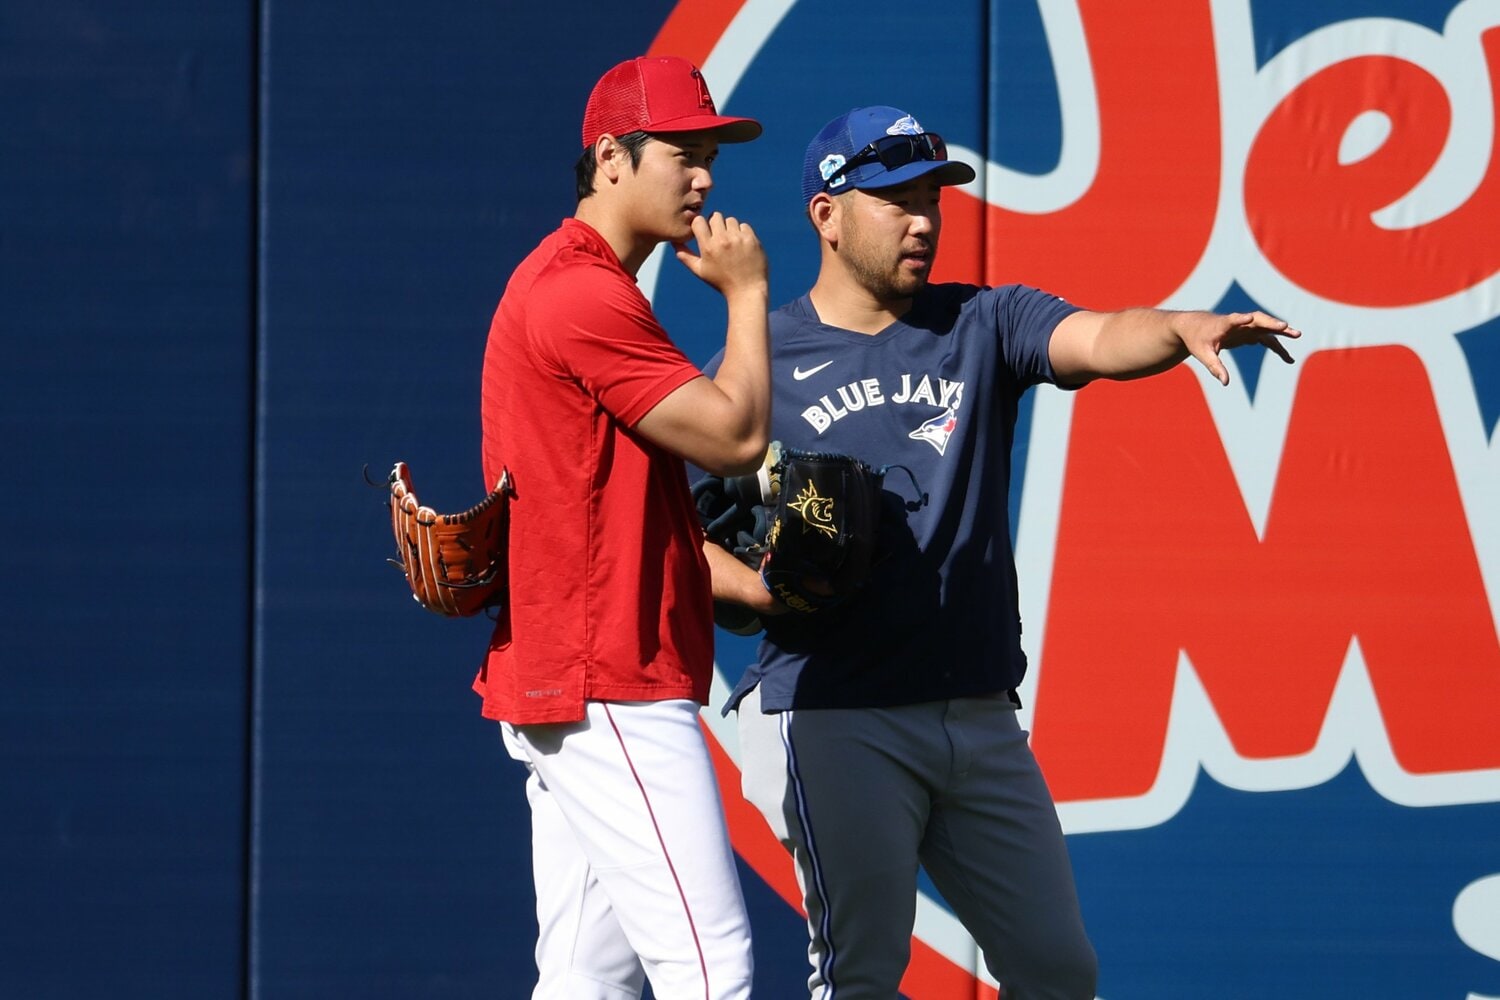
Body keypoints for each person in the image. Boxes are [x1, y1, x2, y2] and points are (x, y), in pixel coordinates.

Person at [703, 106, 1300, 999]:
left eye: (931, 200)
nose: (923, 221)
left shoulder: (983, 321)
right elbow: (680, 537)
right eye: (893, 199)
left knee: (1059, 971)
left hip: (977, 716)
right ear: (826, 214)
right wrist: (762, 591)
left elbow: (1098, 338)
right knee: (862, 973)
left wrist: (1176, 328)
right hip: (834, 712)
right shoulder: (764, 358)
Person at [476, 55, 773, 1000]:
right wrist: (748, 294)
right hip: (611, 684)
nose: (704, 176)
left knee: (583, 984)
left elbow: (611, 517)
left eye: (709, 154)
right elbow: (733, 435)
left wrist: (743, 579)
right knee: (711, 971)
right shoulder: (580, 292)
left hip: (572, 675)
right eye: (682, 151)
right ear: (611, 157)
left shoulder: (577, 285)